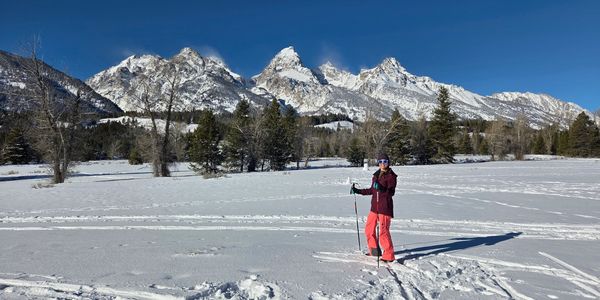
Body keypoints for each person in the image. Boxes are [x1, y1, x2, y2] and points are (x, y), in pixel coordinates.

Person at [351, 153, 397, 262]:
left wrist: (382, 189)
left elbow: (391, 192)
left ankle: (389, 255)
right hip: (374, 207)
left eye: (385, 161)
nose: (382, 164)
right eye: (380, 161)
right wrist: (358, 191)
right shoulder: (376, 175)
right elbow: (372, 190)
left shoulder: (391, 176)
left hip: (384, 208)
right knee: (369, 229)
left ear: (388, 163)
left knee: (383, 232)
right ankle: (375, 251)